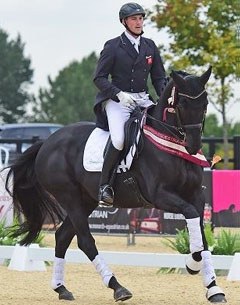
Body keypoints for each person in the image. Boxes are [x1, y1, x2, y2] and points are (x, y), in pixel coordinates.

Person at [93, 2, 166, 207]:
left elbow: (159, 78)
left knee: (160, 131)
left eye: (141, 18)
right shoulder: (113, 46)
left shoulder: (150, 46)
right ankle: (104, 186)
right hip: (118, 101)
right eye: (134, 19)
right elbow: (99, 78)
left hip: (143, 99)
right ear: (124, 22)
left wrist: (164, 98)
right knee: (119, 139)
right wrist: (118, 94)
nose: (138, 22)